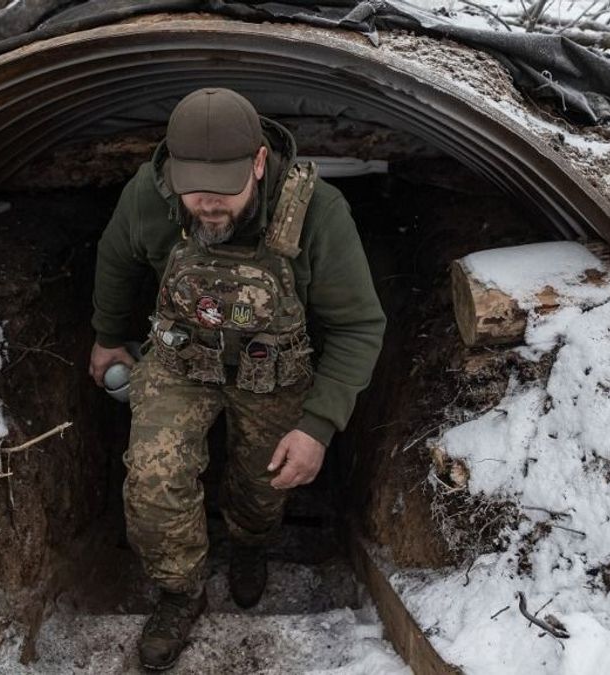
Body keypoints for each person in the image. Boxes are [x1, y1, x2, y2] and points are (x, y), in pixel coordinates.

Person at [87, 87, 385, 670]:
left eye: (224, 189)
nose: (208, 205)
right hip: (179, 361)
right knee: (152, 477)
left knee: (263, 486)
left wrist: (318, 426)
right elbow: (116, 258)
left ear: (258, 162)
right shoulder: (149, 195)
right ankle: (181, 591)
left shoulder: (318, 212)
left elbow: (358, 325)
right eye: (194, 188)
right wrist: (107, 334)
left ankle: (249, 544)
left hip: (272, 372)